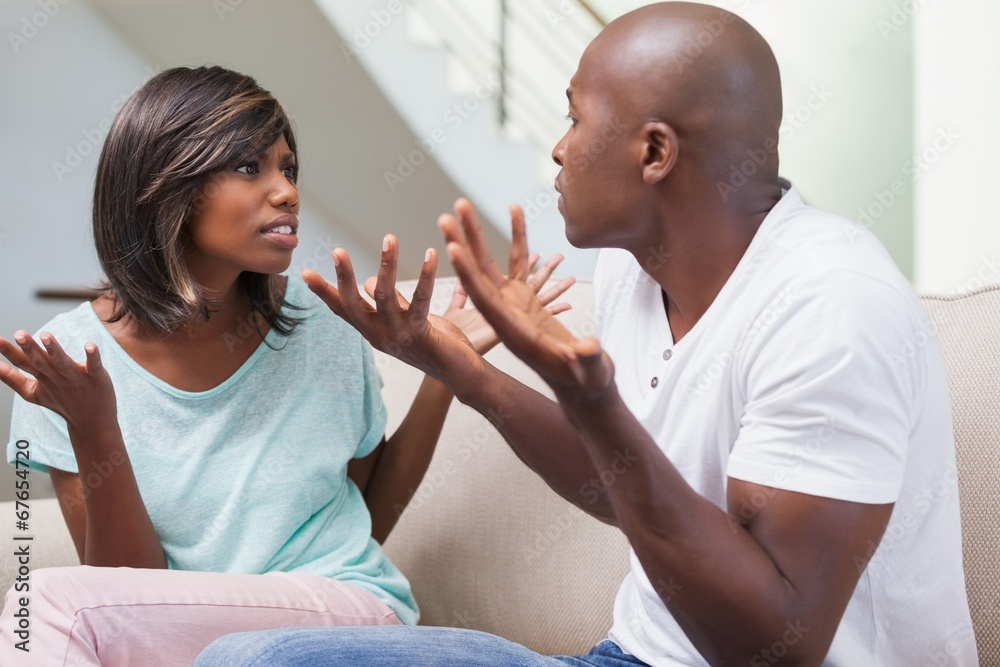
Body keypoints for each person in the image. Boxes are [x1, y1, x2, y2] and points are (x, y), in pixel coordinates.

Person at [194, 2, 978, 666]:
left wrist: (596, 407)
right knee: (248, 658)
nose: (559, 147)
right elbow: (622, 490)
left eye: (575, 117)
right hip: (626, 656)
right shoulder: (637, 272)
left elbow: (774, 649)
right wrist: (461, 370)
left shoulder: (832, 305)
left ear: (654, 152)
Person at [0, 65, 573, 666]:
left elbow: (368, 515)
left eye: (288, 168)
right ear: (166, 186)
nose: (287, 193)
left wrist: (443, 370)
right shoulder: (65, 362)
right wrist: (95, 427)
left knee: (47, 603)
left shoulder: (323, 323)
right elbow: (127, 605)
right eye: (250, 167)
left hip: (342, 614)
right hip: (193, 643)